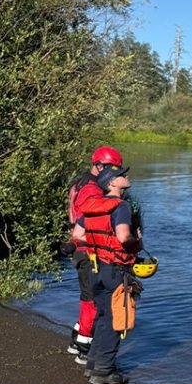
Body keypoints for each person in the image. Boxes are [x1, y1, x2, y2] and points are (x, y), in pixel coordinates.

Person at [75, 164, 142, 384]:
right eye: (121, 175)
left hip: (96, 269)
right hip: (116, 271)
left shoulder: (93, 205)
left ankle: (93, 365)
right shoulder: (121, 206)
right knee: (116, 319)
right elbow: (123, 237)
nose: (126, 176)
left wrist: (100, 242)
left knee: (103, 315)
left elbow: (77, 234)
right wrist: (136, 241)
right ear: (112, 183)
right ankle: (104, 371)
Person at [63, 146, 124, 362]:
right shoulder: (92, 190)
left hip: (80, 247)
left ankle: (78, 341)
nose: (113, 174)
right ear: (99, 166)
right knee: (93, 301)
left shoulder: (80, 183)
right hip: (86, 249)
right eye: (111, 169)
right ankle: (84, 350)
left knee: (88, 297)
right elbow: (89, 220)